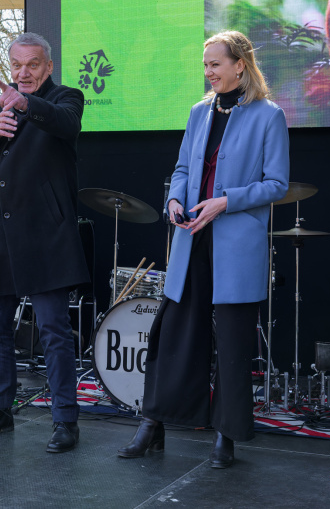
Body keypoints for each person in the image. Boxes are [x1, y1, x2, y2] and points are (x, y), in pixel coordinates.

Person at [118, 31, 289, 469]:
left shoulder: (269, 115)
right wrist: (174, 200)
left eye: (215, 64)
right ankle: (152, 425)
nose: (208, 72)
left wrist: (225, 201)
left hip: (236, 245)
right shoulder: (198, 112)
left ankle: (226, 437)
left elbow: (277, 184)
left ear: (240, 65)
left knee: (232, 344)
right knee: (173, 335)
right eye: (205, 64)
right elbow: (180, 168)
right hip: (192, 239)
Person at [0, 32, 89, 453]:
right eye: (16, 65)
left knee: (53, 330)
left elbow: (65, 124)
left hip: (46, 235)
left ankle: (65, 419)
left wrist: (26, 104)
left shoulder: (67, 97)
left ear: (48, 67)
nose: (23, 72)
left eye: (32, 64)